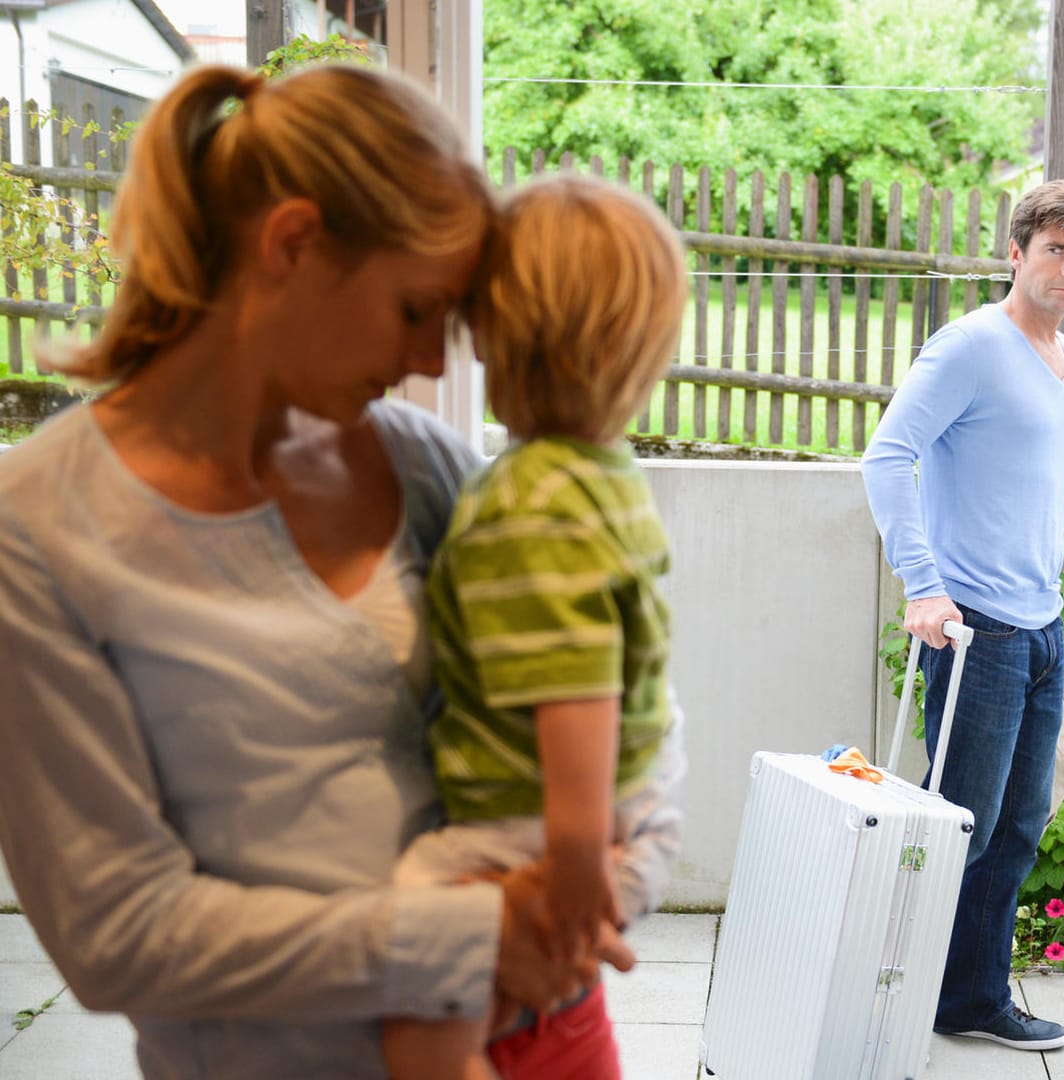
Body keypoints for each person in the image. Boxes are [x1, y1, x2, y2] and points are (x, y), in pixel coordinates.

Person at [0, 63, 670, 1079]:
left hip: (549, 1029)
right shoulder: (37, 531)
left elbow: (621, 692)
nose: (437, 366)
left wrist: (610, 889)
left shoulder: (427, 466)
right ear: (293, 244)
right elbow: (117, 935)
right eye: (416, 310)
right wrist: (481, 930)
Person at [381, 174, 688, 1080]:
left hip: (542, 824)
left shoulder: (530, 500)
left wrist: (573, 870)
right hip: (605, 814)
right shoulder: (604, 473)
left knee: (404, 937)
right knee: (508, 988)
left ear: (491, 328)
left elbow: (576, 697)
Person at [860, 179, 1064, 1051]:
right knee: (955, 830)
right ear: (1017, 251)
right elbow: (888, 456)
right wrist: (923, 585)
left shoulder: (1061, 357)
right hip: (976, 629)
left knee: (1016, 827)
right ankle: (886, 994)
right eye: (1056, 250)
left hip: (1040, 627)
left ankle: (969, 997)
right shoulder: (971, 345)